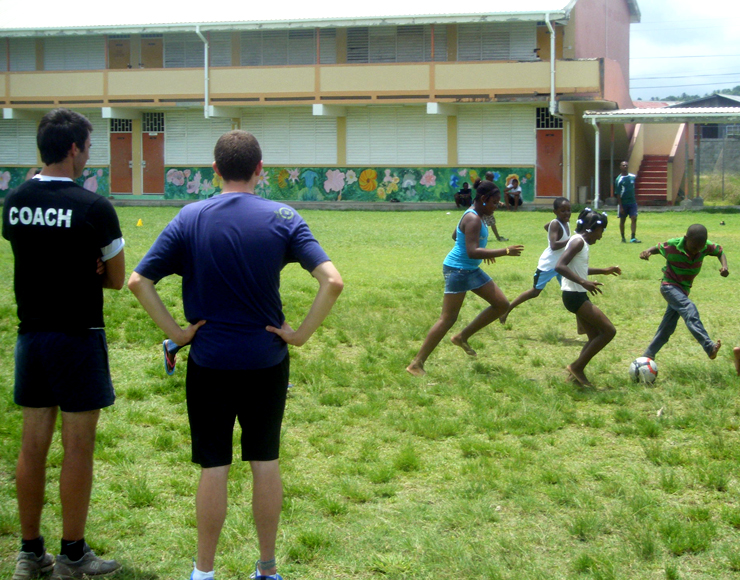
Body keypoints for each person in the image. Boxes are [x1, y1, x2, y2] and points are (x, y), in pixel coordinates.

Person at [128, 130, 343, 580]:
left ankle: (203, 572)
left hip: (209, 362)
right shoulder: (284, 215)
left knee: (214, 467)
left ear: (216, 171)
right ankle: (267, 570)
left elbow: (138, 281)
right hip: (266, 360)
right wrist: (299, 334)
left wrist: (178, 334)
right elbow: (332, 281)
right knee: (265, 462)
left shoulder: (190, 216)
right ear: (260, 170)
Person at [2, 108, 125, 580]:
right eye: (88, 148)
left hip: (30, 337)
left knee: (32, 446)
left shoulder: (14, 202)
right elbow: (115, 279)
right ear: (73, 149)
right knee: (78, 447)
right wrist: (91, 264)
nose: (88, 157)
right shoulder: (94, 207)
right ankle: (73, 554)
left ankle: (30, 553)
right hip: (77, 337)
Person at [406, 180, 523, 376]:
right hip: (458, 270)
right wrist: (503, 251)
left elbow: (456, 236)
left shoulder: (474, 213)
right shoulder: (474, 219)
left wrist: (482, 251)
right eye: (494, 202)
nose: (497, 206)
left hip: (469, 269)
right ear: (484, 199)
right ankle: (416, 364)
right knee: (447, 318)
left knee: (501, 304)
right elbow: (471, 251)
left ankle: (462, 336)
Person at [640, 224, 727, 362]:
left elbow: (720, 251)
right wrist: (647, 251)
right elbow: (659, 247)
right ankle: (708, 346)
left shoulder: (704, 246)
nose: (695, 252)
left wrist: (724, 266)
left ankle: (647, 356)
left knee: (667, 327)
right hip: (669, 286)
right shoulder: (674, 245)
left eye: (699, 249)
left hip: (683, 290)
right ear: (686, 238)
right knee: (689, 308)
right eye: (693, 248)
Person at [555, 208, 621, 387]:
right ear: (593, 228)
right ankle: (576, 367)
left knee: (595, 337)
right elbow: (560, 266)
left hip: (576, 294)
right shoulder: (578, 242)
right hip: (574, 295)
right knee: (608, 331)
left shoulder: (579, 242)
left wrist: (604, 270)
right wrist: (583, 282)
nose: (600, 236)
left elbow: (578, 268)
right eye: (601, 231)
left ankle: (574, 375)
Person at [500, 197, 571, 324]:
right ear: (555, 212)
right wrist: (571, 240)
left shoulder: (565, 223)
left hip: (561, 265)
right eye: (563, 211)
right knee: (535, 292)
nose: (567, 213)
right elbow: (554, 245)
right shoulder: (556, 223)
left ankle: (582, 325)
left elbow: (546, 226)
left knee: (572, 292)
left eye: (568, 210)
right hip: (548, 265)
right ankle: (507, 309)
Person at [615, 160, 640, 243]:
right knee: (622, 220)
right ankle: (623, 237)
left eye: (626, 165)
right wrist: (621, 206)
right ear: (620, 167)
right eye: (623, 165)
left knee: (634, 218)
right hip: (623, 203)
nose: (625, 166)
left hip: (632, 202)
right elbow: (618, 194)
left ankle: (633, 237)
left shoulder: (632, 177)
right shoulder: (619, 179)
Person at [484, 171, 508, 241]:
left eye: (493, 178)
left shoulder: (490, 185)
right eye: (491, 178)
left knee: (492, 222)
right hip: (483, 206)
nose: (492, 180)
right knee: (483, 223)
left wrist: (498, 202)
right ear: (487, 177)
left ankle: (498, 237)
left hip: (488, 206)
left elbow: (492, 196)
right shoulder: (484, 186)